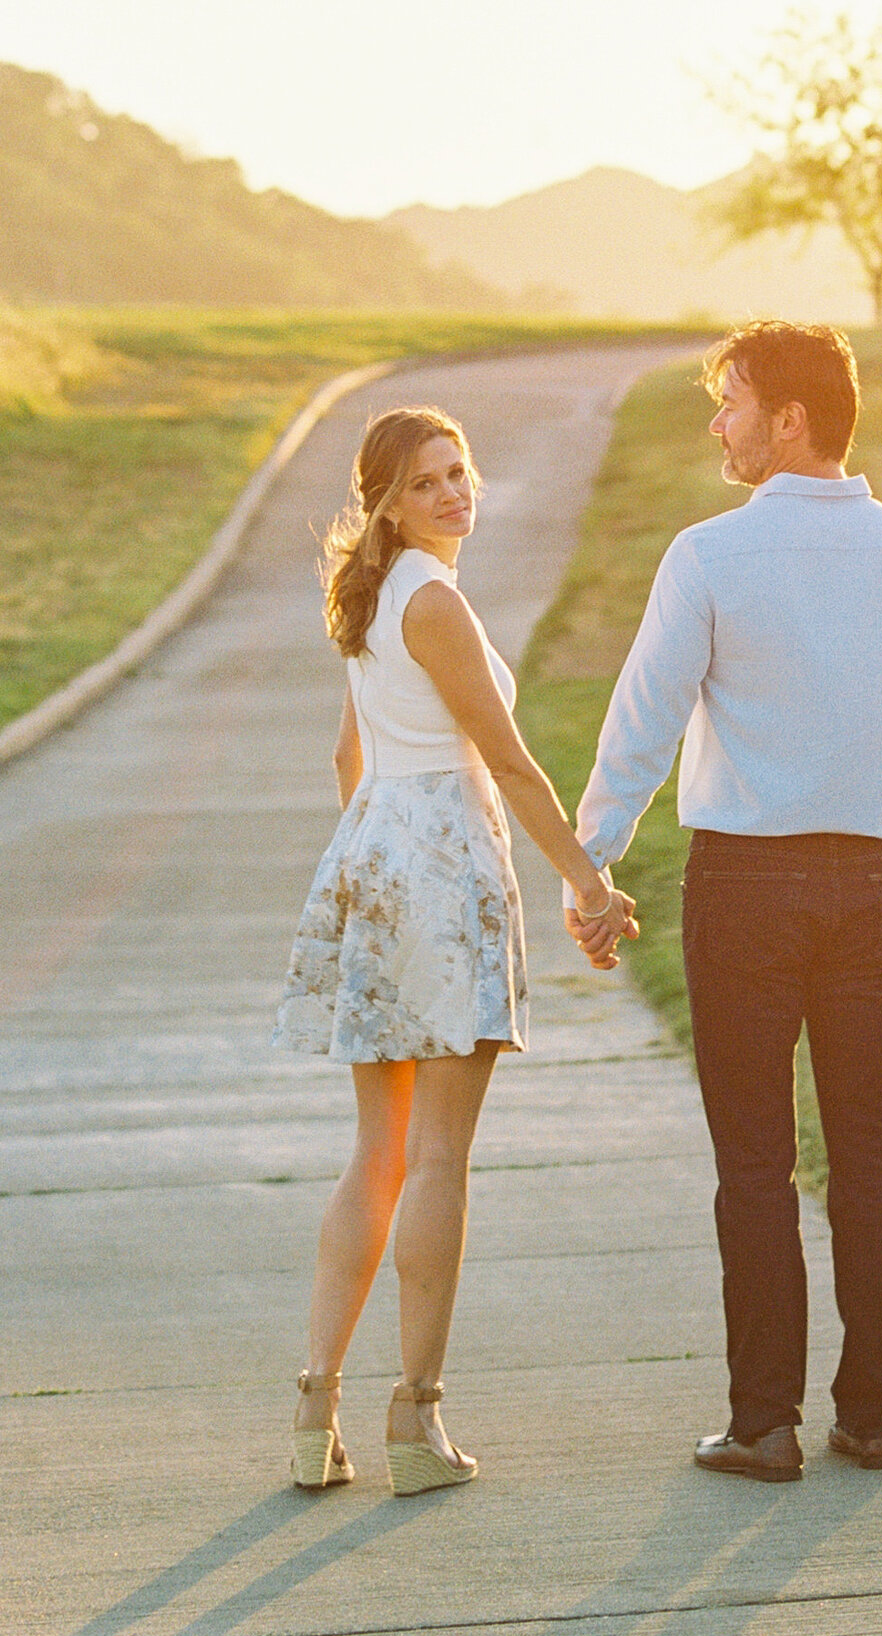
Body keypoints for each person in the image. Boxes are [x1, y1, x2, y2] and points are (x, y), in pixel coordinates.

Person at [572, 322, 882, 1481]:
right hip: (871, 888)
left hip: (746, 890)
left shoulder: (707, 558)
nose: (718, 423)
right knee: (870, 1158)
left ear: (788, 419)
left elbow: (640, 730)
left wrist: (588, 871)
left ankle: (763, 1424)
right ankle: (874, 1415)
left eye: (731, 401)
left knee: (754, 1163)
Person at [273, 402, 637, 1494]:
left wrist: (373, 861)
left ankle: (312, 1412)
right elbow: (513, 764)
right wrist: (589, 883)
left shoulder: (373, 596)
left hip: (378, 854)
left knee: (378, 1155)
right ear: (385, 500)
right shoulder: (431, 601)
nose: (453, 492)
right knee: (435, 1159)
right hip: (439, 863)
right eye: (427, 481)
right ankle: (414, 1419)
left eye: (460, 471)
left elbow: (349, 753)